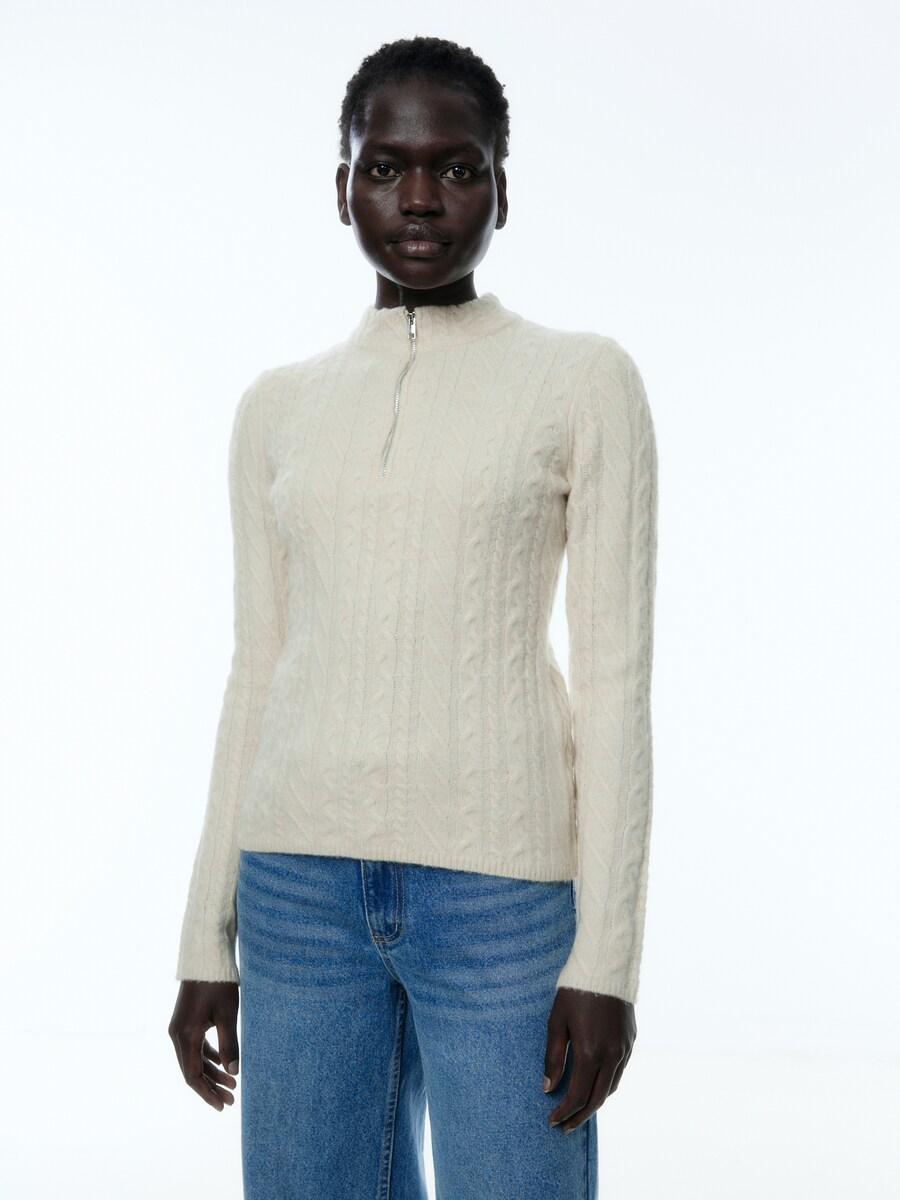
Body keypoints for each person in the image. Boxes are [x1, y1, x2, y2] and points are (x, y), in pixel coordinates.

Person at [168, 34, 659, 1200]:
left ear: (502, 189)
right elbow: (257, 671)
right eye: (387, 168)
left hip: (501, 900)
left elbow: (616, 683)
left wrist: (609, 963)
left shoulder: (582, 381)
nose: (422, 198)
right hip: (296, 893)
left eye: (458, 167)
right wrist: (203, 938)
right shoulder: (277, 407)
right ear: (344, 188)